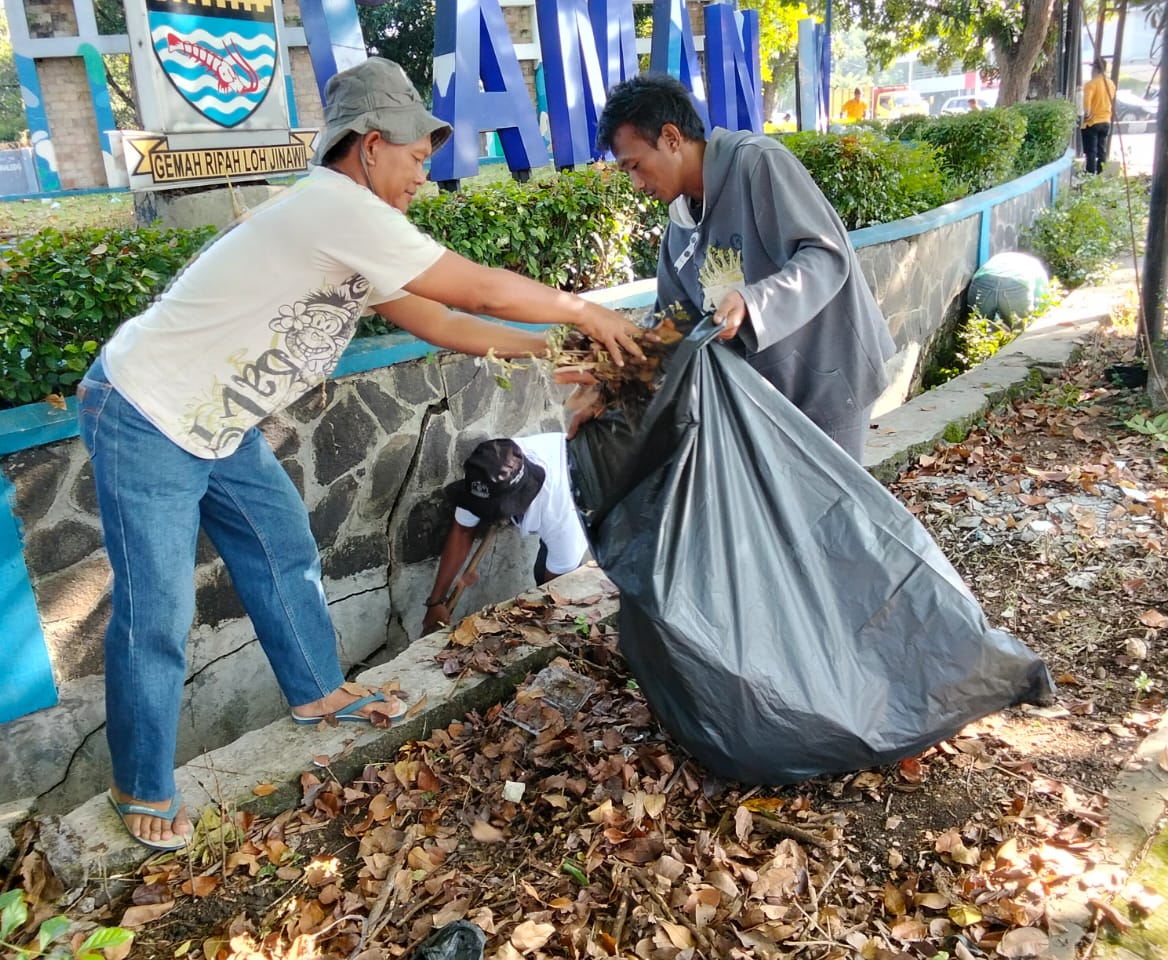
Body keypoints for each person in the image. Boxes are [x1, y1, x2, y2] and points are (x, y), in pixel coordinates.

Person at [77, 57, 644, 851]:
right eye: (416, 158)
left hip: (217, 421)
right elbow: (473, 290)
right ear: (370, 146)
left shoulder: (348, 233)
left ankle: (316, 693)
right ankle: (139, 782)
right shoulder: (334, 207)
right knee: (157, 614)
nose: (422, 174)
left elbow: (443, 324)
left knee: (282, 551)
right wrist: (584, 311)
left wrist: (549, 348)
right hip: (144, 410)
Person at [594, 74, 896, 462]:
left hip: (830, 379)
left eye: (635, 165)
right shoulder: (679, 228)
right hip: (769, 399)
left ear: (671, 137)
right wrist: (615, 385)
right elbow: (672, 322)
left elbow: (826, 255)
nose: (636, 183)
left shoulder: (757, 162)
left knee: (834, 513)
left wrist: (753, 303)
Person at [422, 435, 587, 634]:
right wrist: (435, 602)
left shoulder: (562, 517)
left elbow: (556, 589)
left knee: (547, 585)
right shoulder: (489, 472)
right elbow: (463, 530)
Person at [1082, 58, 1116, 175]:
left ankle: (1090, 176)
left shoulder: (1090, 85)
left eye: (1092, 68)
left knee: (1091, 151)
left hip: (1093, 122)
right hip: (1106, 121)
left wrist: (1086, 115)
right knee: (1101, 150)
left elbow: (1087, 107)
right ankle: (1101, 173)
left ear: (1095, 68)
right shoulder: (1111, 84)